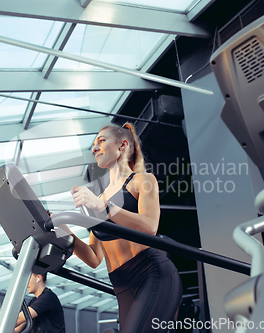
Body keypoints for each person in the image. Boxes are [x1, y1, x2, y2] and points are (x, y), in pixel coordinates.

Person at [68, 122, 182, 333]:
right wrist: (66, 234)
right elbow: (94, 258)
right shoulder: (99, 199)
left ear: (122, 146)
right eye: (94, 144)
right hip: (122, 287)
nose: (94, 148)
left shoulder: (143, 181)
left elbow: (150, 227)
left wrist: (104, 206)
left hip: (151, 274)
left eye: (101, 141)